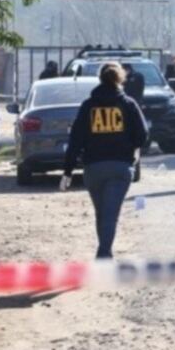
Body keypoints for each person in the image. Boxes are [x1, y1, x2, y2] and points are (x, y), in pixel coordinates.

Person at [61, 62, 148, 259]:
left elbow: (75, 140)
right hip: (120, 167)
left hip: (94, 168)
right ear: (120, 79)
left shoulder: (88, 106)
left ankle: (104, 253)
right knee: (110, 214)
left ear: (99, 79)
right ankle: (104, 254)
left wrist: (67, 172)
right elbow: (143, 134)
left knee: (102, 213)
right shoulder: (128, 104)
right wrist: (132, 148)